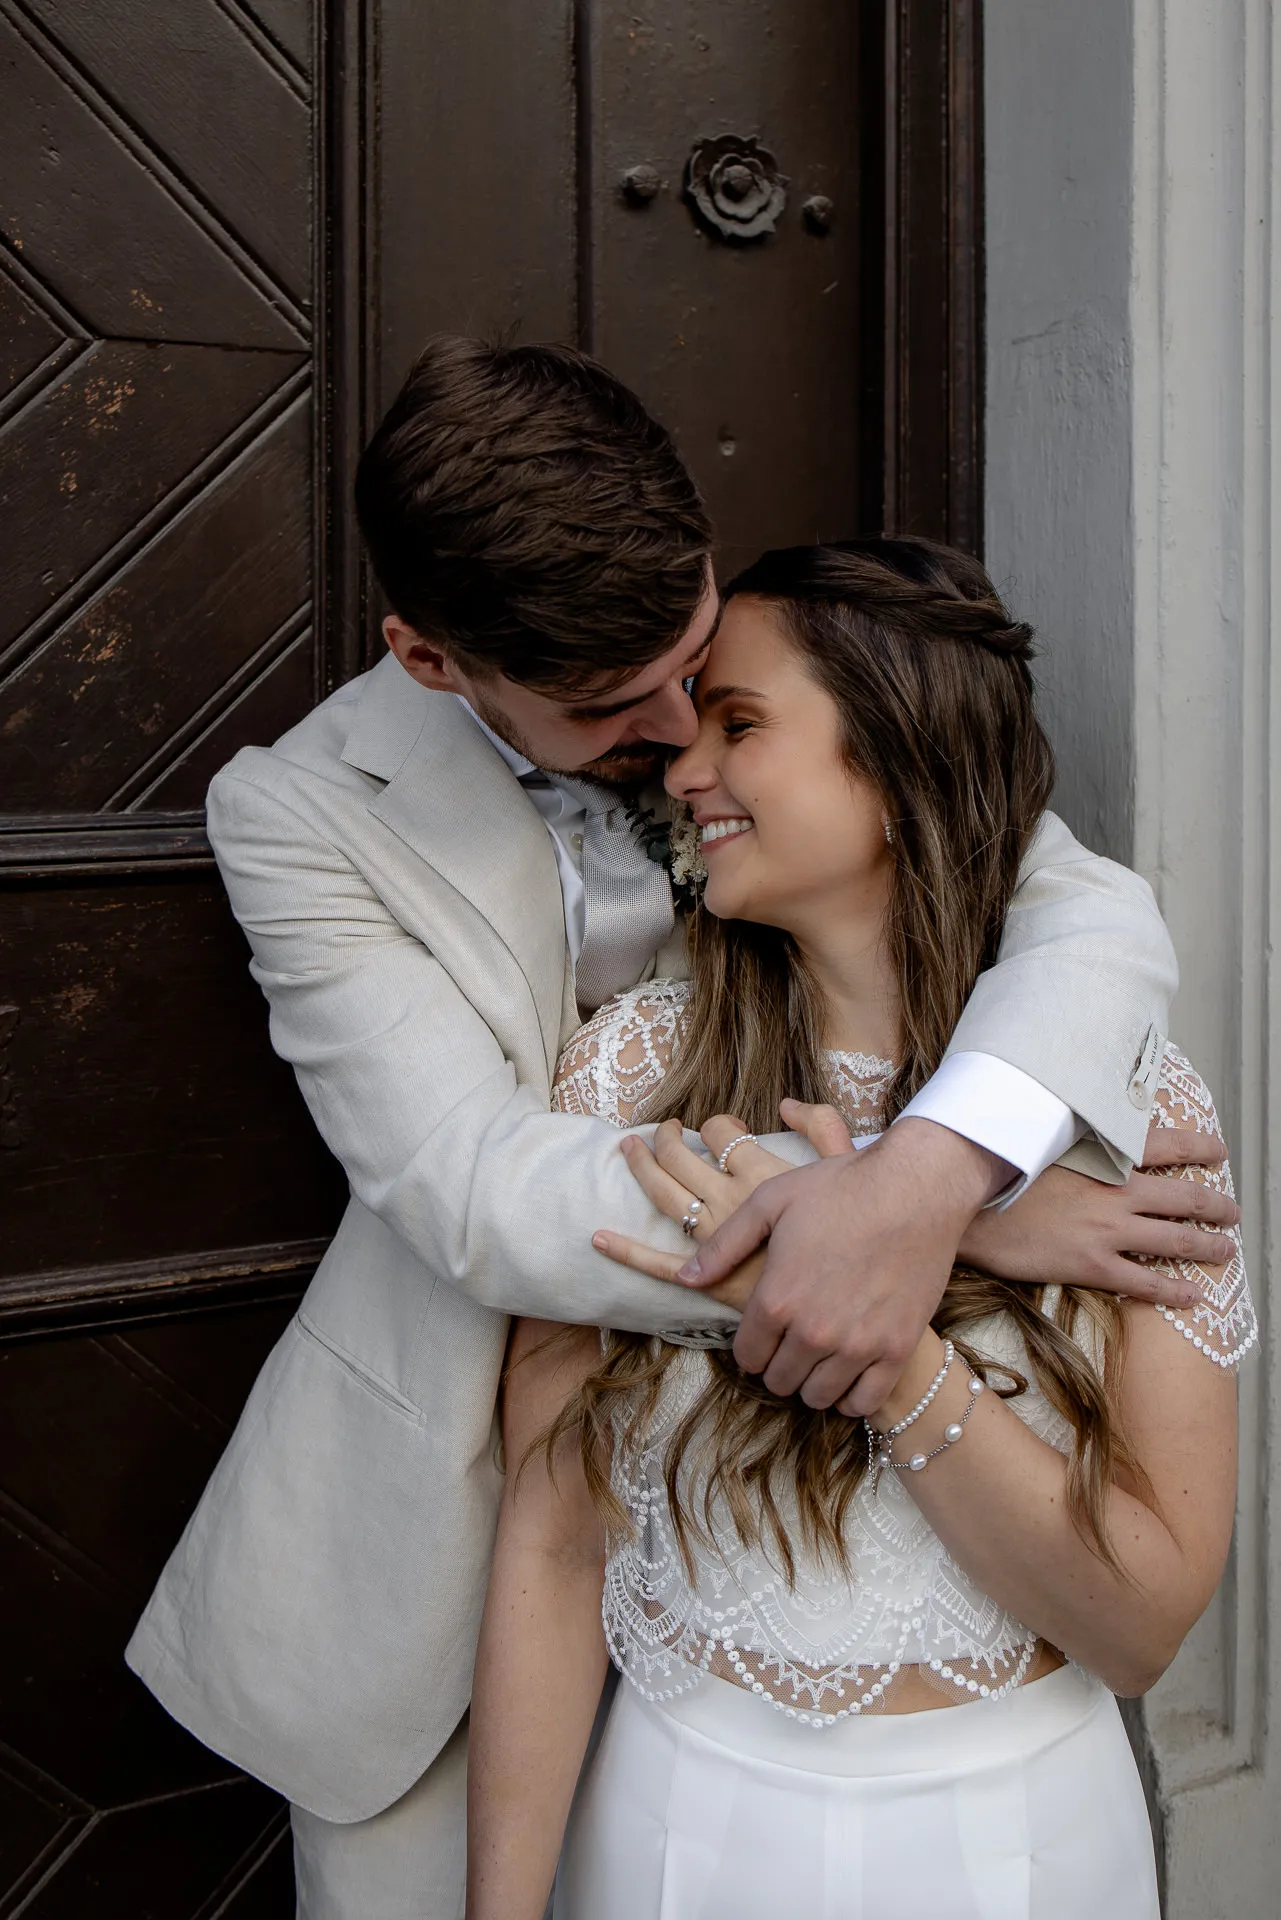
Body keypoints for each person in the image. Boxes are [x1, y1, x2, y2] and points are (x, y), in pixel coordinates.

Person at [124, 344, 1233, 1918]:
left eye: (700, 674)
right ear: (429, 660)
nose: (671, 733)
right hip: (463, 1512)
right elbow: (475, 1188)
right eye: (609, 708)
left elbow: (1077, 905)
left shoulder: (788, 676)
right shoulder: (297, 816)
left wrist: (935, 1172)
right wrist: (950, 1227)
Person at [466, 540, 1255, 1920]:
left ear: (894, 766)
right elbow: (554, 1541)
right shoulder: (632, 1075)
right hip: (675, 1826)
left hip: (1025, 1846)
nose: (682, 768)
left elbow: (1142, 1631)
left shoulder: (1133, 1114)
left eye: (740, 724)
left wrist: (891, 1355)